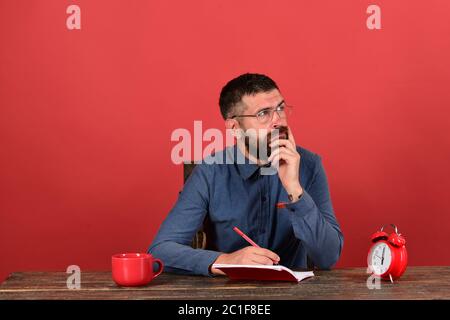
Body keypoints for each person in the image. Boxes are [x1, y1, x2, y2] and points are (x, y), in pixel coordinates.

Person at [148, 73, 343, 276]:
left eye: (280, 109)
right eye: (263, 114)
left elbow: (328, 257)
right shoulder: (210, 172)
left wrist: (294, 188)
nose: (277, 120)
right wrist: (227, 261)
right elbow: (160, 251)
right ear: (234, 128)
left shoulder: (309, 165)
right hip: (227, 294)